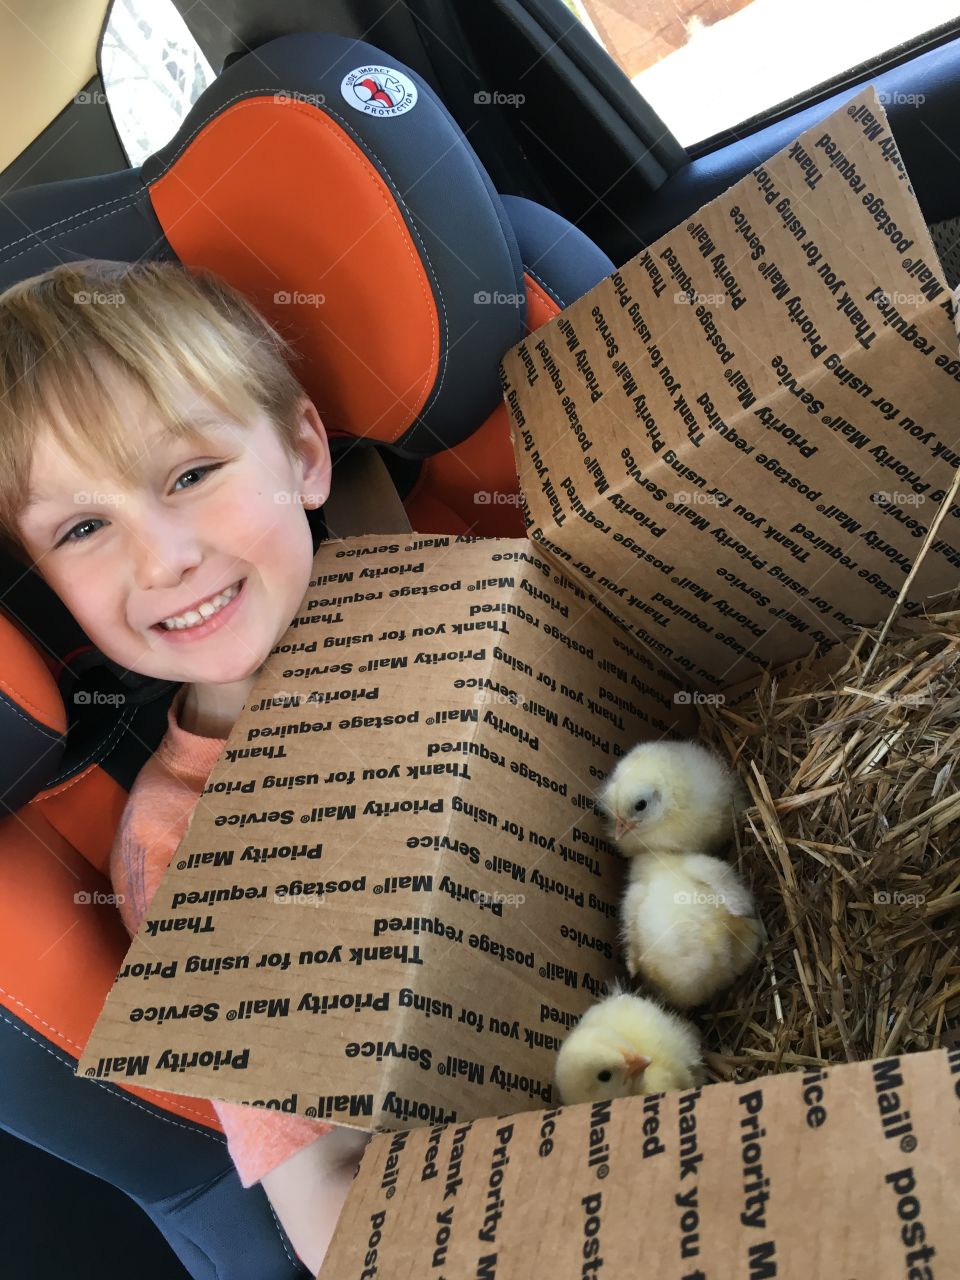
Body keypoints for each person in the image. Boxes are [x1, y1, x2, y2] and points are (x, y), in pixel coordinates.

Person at [0, 257, 370, 1275]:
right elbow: (329, 1195)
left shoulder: (442, 575)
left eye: (190, 474)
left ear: (301, 451)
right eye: (83, 528)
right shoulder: (187, 853)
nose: (161, 558)